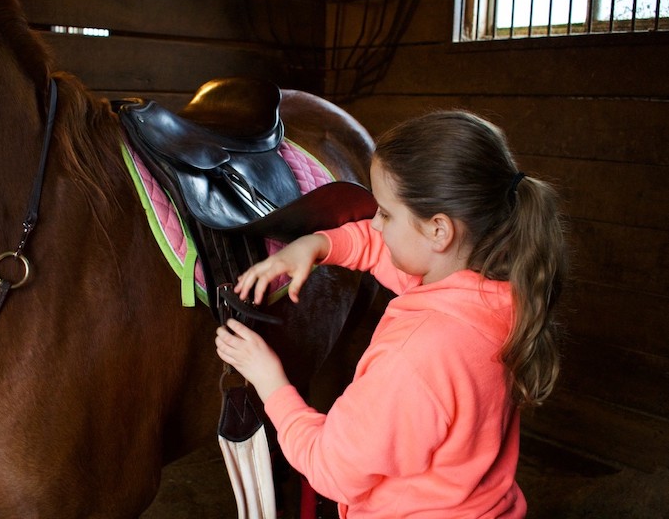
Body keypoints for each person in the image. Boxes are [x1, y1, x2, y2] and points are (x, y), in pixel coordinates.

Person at [214, 110, 567, 518]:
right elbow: (383, 248)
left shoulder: (414, 358)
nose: (375, 225)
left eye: (385, 212)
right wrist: (320, 244)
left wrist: (269, 380)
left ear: (439, 230)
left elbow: (330, 469)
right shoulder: (498, 292)